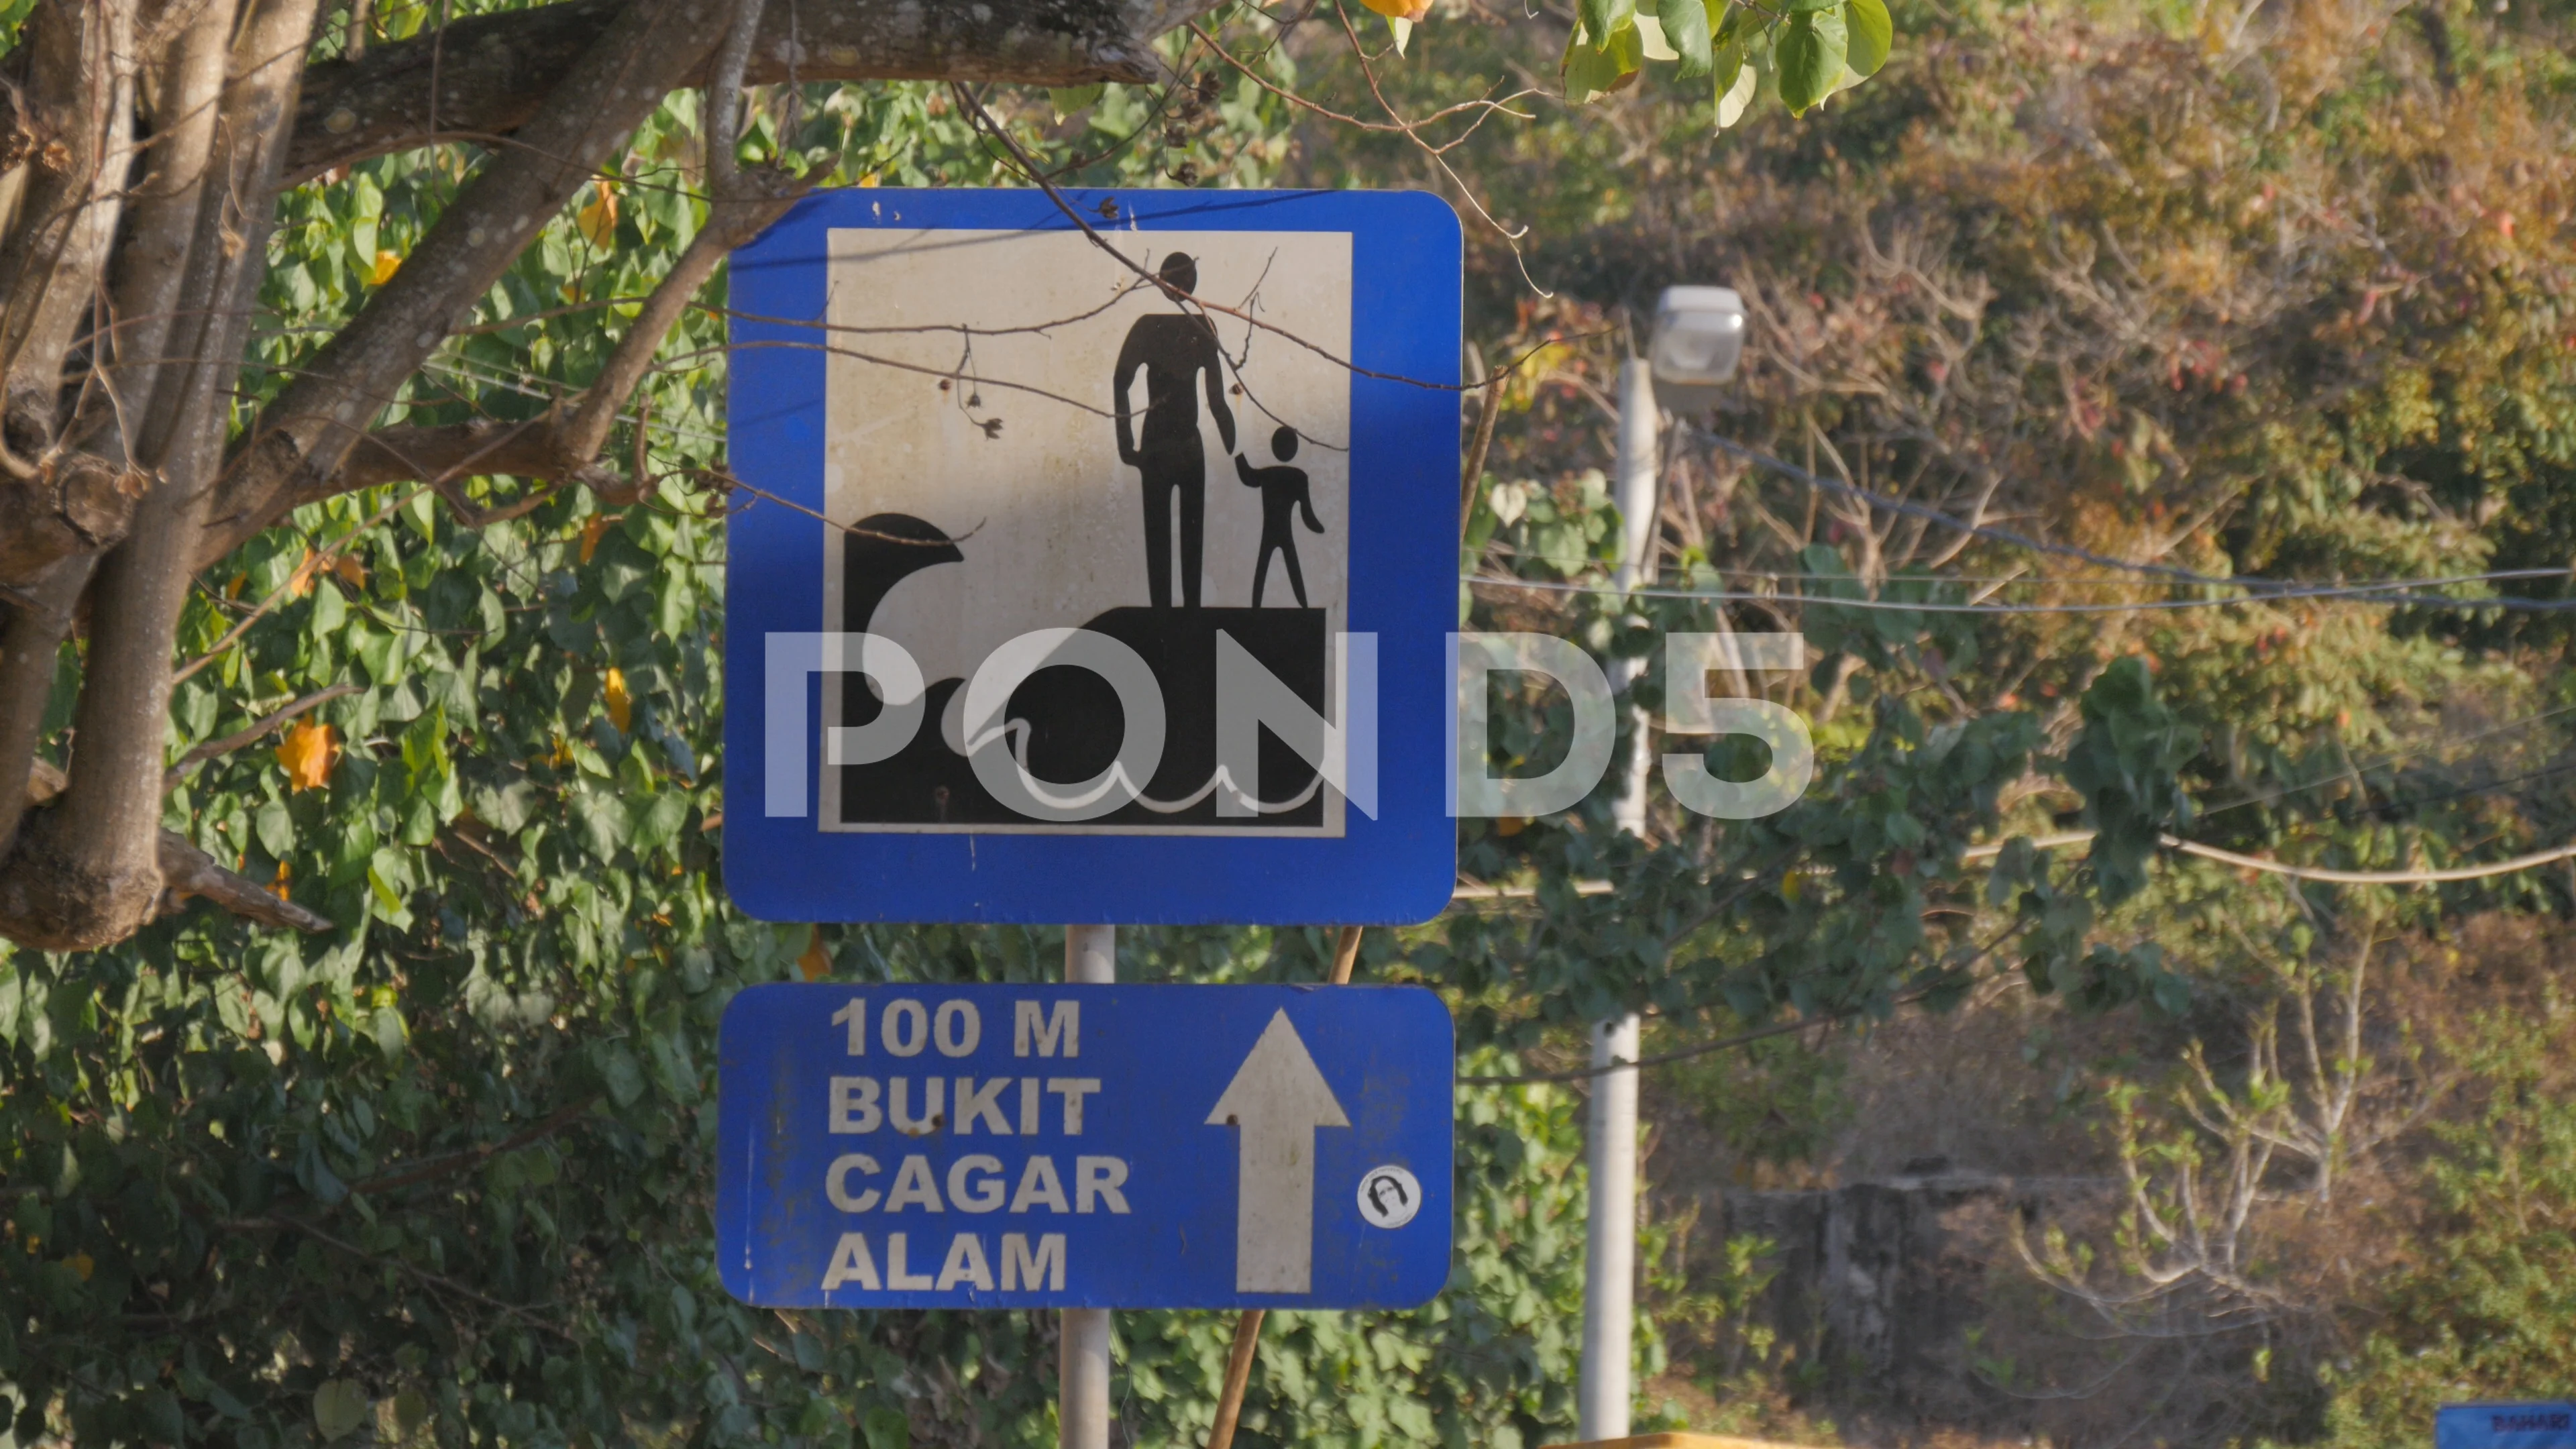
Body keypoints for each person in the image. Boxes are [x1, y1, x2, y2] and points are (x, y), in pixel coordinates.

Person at [1112, 252, 1236, 608]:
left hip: (1160, 444)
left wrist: (1126, 442)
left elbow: (1121, 382)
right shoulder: (1199, 326)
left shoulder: (1150, 326)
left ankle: (1166, 615)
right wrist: (1231, 439)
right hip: (1184, 441)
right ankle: (1188, 614)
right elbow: (1216, 400)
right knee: (1185, 536)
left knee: (1161, 536)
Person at [1234, 425, 1324, 608]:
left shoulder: (1270, 475)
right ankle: (1303, 607)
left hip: (1271, 532)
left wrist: (1237, 452)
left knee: (1265, 567)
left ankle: (1257, 609)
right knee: (1290, 565)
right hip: (1284, 532)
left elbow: (1248, 475)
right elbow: (1308, 515)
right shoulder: (1298, 477)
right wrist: (1317, 527)